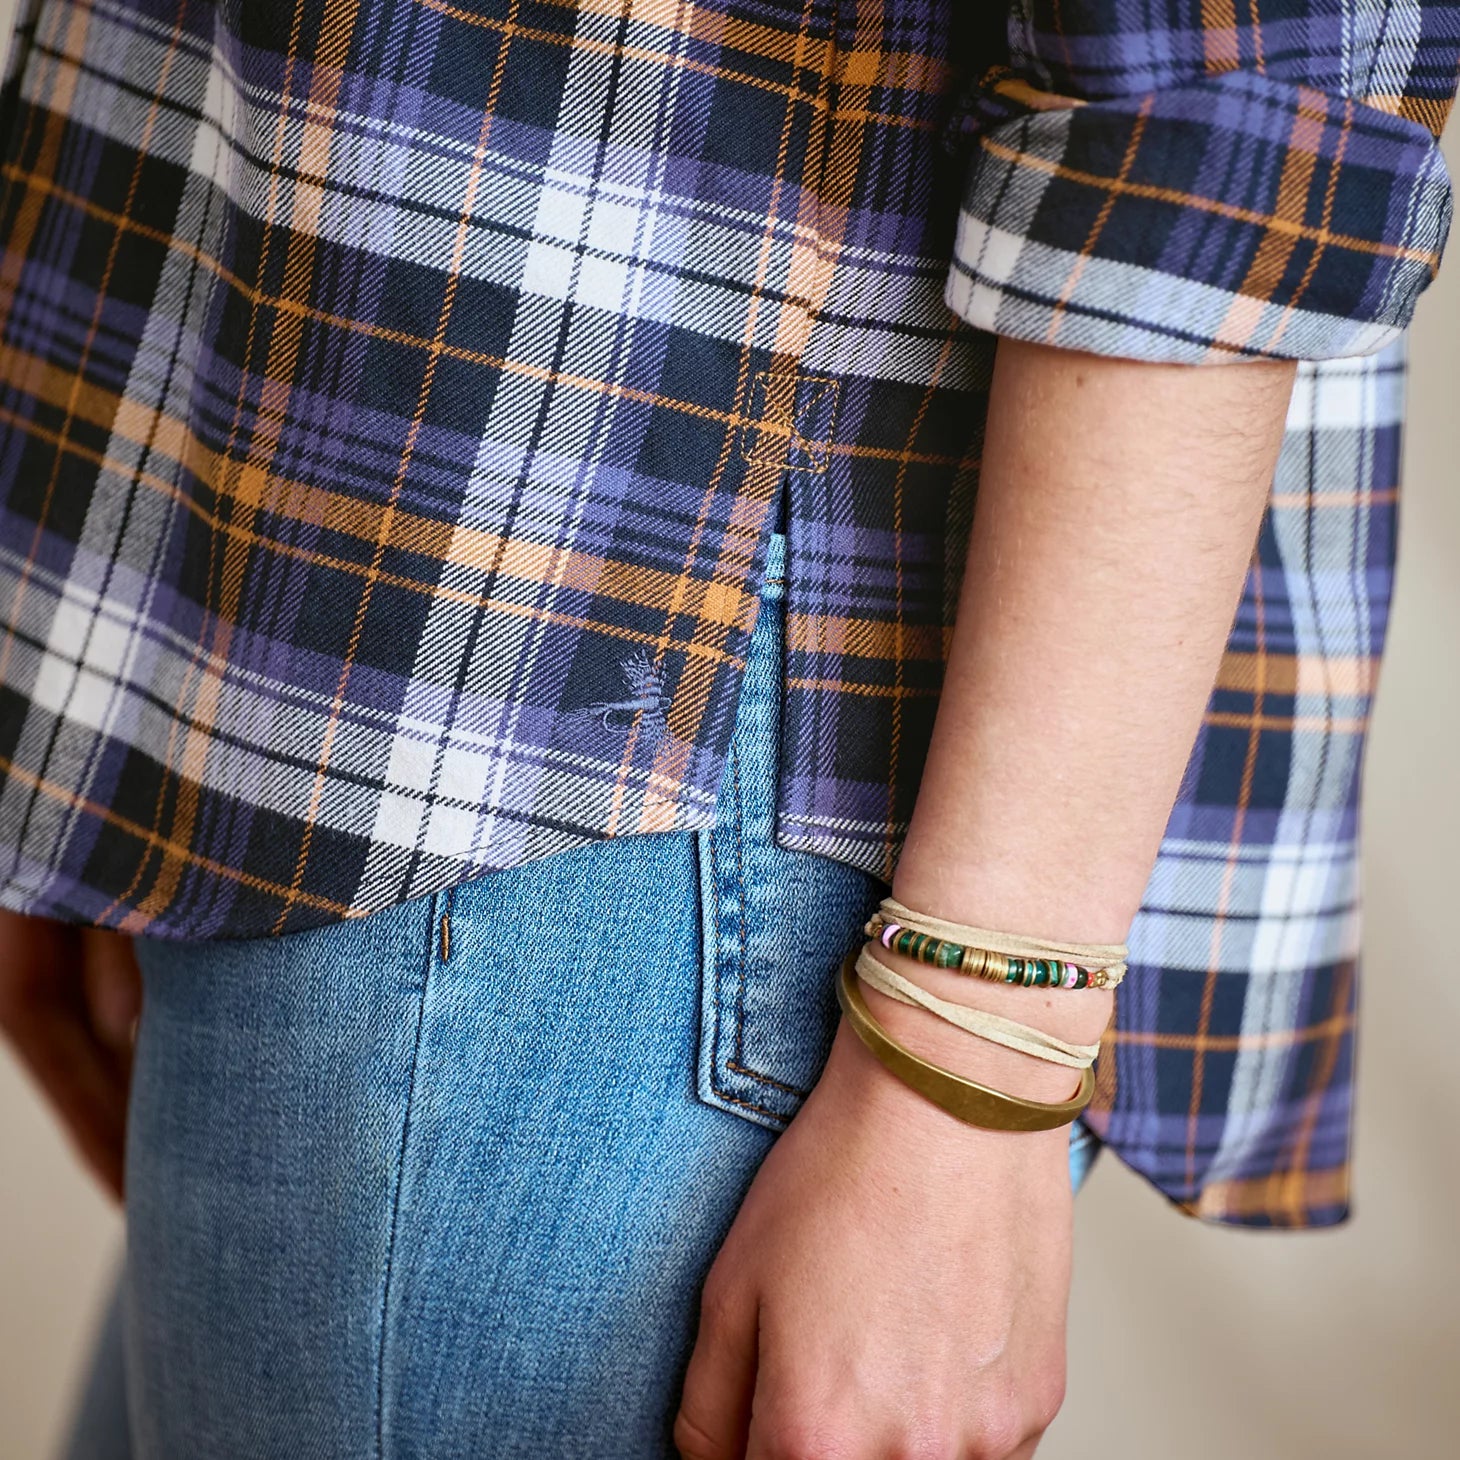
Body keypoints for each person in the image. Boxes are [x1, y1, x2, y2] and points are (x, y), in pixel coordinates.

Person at [0, 1, 1454, 1455]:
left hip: (670, 742)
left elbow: (1223, 133)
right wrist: (95, 660)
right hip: (296, 634)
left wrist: (978, 1061)